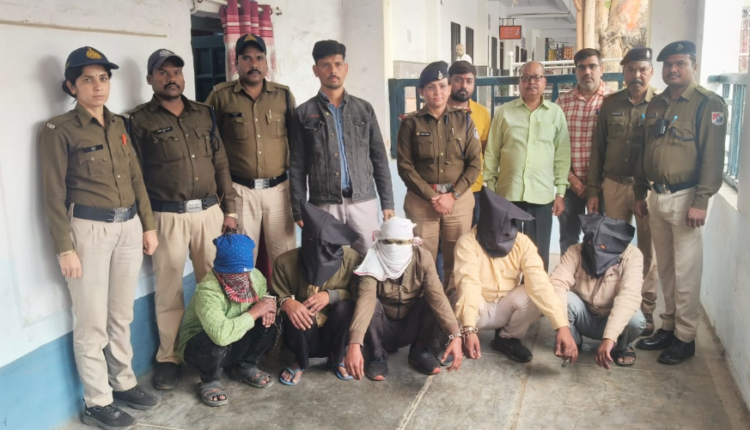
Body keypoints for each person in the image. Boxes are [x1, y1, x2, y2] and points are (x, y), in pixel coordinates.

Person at [40, 46, 159, 429]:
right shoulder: (59, 130)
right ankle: (97, 402)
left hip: (128, 227)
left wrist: (148, 225)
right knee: (91, 321)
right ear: (71, 86)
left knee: (121, 314)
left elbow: (137, 178)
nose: (98, 86)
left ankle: (123, 382)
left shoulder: (120, 124)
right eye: (88, 79)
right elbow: (53, 194)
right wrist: (65, 248)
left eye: (103, 78)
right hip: (88, 231)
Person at [127, 48, 239, 390]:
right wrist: (146, 224)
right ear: (150, 79)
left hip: (209, 212)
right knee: (169, 289)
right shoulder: (138, 120)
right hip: (166, 216)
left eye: (176, 71)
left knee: (216, 284)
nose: (171, 78)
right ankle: (169, 358)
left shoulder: (204, 114)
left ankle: (220, 347)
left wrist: (230, 209)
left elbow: (220, 163)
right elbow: (135, 176)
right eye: (162, 73)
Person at [634, 40, 728, 365]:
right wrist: (640, 191)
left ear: (694, 66)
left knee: (686, 273)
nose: (673, 69)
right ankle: (669, 326)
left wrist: (701, 201)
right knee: (666, 270)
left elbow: (713, 158)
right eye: (669, 64)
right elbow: (646, 151)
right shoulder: (657, 103)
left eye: (680, 64)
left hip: (688, 198)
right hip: (657, 195)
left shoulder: (707, 104)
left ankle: (685, 338)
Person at [290, 40, 394, 255]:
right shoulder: (304, 113)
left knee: (370, 259)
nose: (333, 70)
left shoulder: (364, 109)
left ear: (346, 68)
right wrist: (299, 209)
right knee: (326, 261)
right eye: (325, 65)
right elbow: (297, 166)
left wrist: (388, 203)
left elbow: (379, 159)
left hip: (363, 201)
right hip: (324, 204)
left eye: (338, 64)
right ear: (315, 70)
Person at [454, 188, 578, 364]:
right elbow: (469, 285)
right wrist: (469, 328)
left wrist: (562, 326)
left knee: (534, 294)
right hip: (477, 307)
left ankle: (507, 338)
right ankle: (459, 337)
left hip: (505, 305)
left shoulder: (522, 242)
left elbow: (540, 284)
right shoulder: (467, 242)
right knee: (457, 299)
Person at [587, 47, 660, 336]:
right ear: (623, 72)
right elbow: (598, 150)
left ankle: (646, 308)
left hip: (647, 190)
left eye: (642, 69)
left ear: (651, 72)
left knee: (647, 250)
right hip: (614, 185)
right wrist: (594, 191)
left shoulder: (661, 104)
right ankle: (614, 304)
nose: (636, 75)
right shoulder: (610, 104)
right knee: (613, 248)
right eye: (631, 69)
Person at [206, 33, 296, 264]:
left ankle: (282, 291)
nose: (253, 64)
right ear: (236, 63)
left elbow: (297, 143)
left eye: (259, 58)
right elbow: (208, 144)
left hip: (279, 191)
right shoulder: (220, 96)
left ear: (266, 62)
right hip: (240, 191)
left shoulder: (283, 96)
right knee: (243, 259)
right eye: (246, 58)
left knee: (285, 258)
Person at [344, 217, 463, 381]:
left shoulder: (422, 258)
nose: (394, 248)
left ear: (412, 243)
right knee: (371, 304)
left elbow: (438, 297)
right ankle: (376, 354)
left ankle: (420, 349)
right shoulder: (371, 260)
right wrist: (354, 344)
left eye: (401, 243)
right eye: (389, 242)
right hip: (381, 327)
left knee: (431, 299)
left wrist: (455, 335)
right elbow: (365, 301)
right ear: (380, 242)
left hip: (410, 325)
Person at [396, 61, 482, 288]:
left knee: (458, 261)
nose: (438, 92)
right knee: (421, 262)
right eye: (431, 87)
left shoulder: (464, 119)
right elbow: (405, 167)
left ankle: (453, 306)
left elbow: (475, 163)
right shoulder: (410, 123)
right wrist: (433, 196)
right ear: (421, 91)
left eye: (443, 86)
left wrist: (452, 195)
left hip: (458, 202)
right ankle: (425, 306)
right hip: (422, 203)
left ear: (449, 88)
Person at [484, 61, 571, 272]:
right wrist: (492, 191)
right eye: (526, 77)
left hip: (541, 196)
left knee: (538, 255)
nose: (531, 82)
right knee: (506, 251)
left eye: (537, 77)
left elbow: (562, 155)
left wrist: (560, 193)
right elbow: (492, 152)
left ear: (544, 82)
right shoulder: (504, 112)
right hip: (508, 195)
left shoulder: (555, 113)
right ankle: (507, 291)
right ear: (519, 82)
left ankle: (534, 291)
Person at [177, 233, 278, 407]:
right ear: (221, 270)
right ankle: (209, 380)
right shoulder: (208, 290)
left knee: (270, 321)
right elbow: (220, 335)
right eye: (234, 274)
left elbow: (262, 301)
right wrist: (255, 312)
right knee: (215, 338)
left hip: (234, 340)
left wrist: (268, 306)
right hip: (202, 350)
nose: (242, 278)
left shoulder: (255, 277)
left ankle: (244, 366)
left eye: (245, 273)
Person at [272, 201, 363, 385]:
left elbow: (358, 296)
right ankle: (300, 360)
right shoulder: (285, 262)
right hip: (304, 332)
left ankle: (337, 357)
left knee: (346, 307)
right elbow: (274, 296)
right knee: (295, 311)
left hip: (334, 330)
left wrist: (332, 296)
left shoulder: (352, 259)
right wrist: (287, 303)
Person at [551, 214, 646, 369]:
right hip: (584, 317)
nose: (594, 248)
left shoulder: (632, 255)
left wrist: (610, 337)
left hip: (612, 319)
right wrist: (562, 327)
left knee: (636, 319)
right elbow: (557, 284)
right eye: (590, 242)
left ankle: (622, 346)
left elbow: (629, 296)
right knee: (561, 298)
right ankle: (573, 340)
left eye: (601, 246)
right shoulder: (576, 251)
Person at [555, 49, 611, 255]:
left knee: (601, 240)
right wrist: (570, 179)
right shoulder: (563, 103)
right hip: (572, 185)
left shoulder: (612, 100)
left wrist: (597, 183)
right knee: (568, 239)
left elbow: (616, 147)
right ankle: (570, 276)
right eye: (582, 67)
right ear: (576, 71)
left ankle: (597, 276)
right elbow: (554, 145)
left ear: (601, 69)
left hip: (604, 186)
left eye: (592, 66)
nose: (587, 72)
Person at [447, 60, 491, 227]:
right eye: (458, 80)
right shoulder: (437, 110)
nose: (464, 85)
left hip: (473, 189)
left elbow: (483, 150)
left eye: (469, 81)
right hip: (443, 191)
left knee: (471, 238)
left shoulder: (482, 113)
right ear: (449, 81)